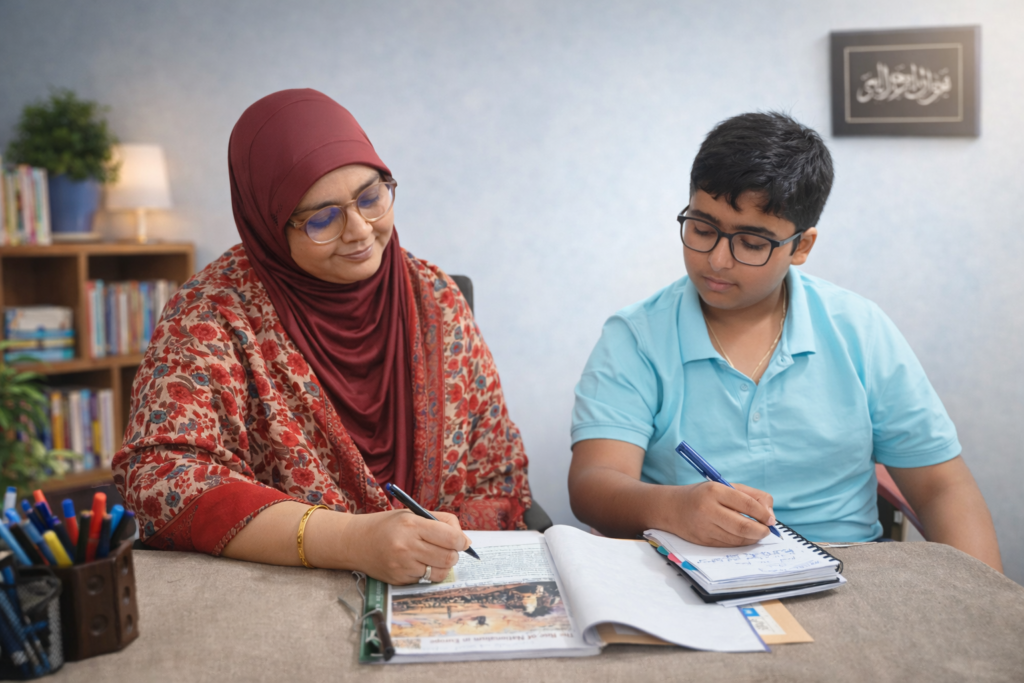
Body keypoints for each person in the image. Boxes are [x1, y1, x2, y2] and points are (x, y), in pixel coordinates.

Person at [113, 89, 532, 584]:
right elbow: (162, 478)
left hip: (434, 587)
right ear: (269, 224)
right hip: (286, 593)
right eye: (321, 218)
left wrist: (444, 541)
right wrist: (350, 541)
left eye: (371, 197)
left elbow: (496, 473)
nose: (358, 231)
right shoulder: (212, 315)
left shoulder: (436, 299)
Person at [568, 112, 1002, 571]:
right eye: (702, 228)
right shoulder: (637, 336)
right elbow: (594, 483)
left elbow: (941, 488)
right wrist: (672, 508)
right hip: (690, 572)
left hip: (849, 574)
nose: (717, 260)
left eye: (751, 242)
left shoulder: (859, 329)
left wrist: (983, 606)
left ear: (801, 247)